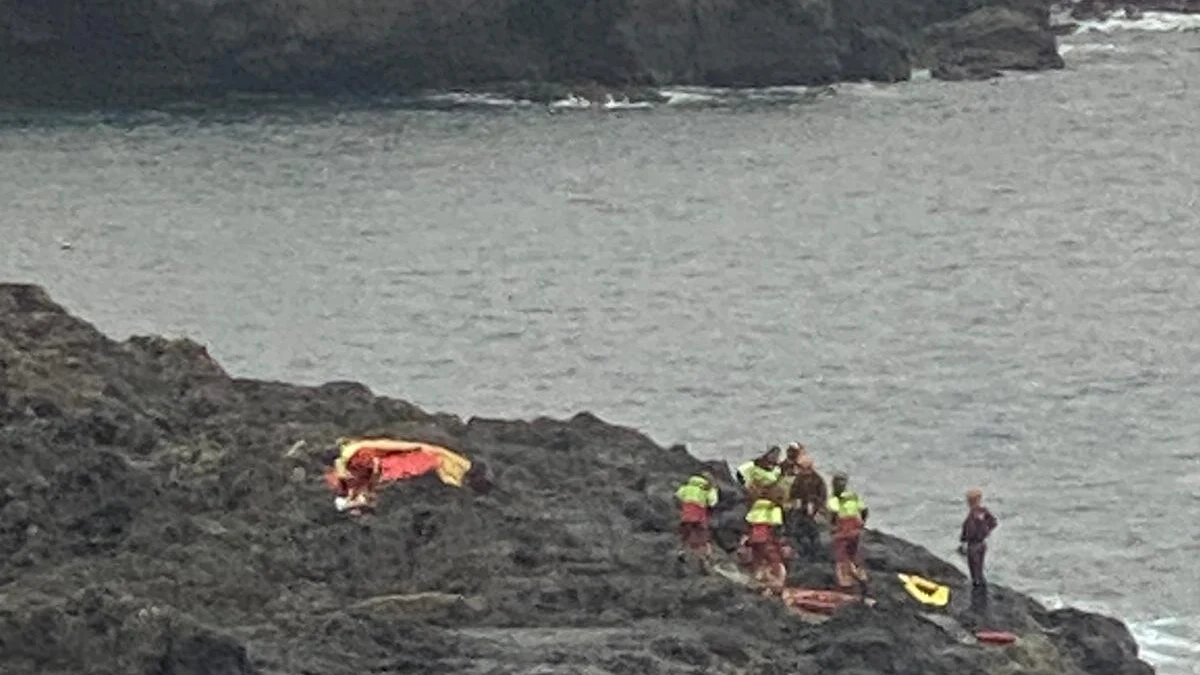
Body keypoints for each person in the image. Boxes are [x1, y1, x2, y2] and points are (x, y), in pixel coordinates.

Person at [744, 483, 789, 595]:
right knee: (774, 560)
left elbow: (749, 521)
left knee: (758, 560)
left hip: (754, 537)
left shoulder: (757, 506)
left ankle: (758, 581)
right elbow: (776, 526)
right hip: (767, 537)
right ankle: (774, 586)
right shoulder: (774, 509)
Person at [827, 472, 869, 592]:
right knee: (854, 555)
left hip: (843, 528)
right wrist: (862, 523)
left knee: (841, 557)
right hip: (855, 528)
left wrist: (833, 527)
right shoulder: (853, 496)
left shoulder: (834, 499)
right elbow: (864, 510)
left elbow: (834, 514)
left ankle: (846, 584)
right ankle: (861, 577)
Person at [674, 472, 720, 567]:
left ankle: (681, 551)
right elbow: (712, 502)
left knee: (685, 535)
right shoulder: (706, 489)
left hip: (686, 516)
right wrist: (714, 489)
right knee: (702, 538)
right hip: (699, 517)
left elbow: (678, 496)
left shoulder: (686, 487)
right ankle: (705, 557)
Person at [786, 455, 828, 557]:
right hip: (801, 509)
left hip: (813, 509)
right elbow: (793, 493)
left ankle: (815, 552)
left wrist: (818, 508)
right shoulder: (799, 479)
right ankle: (802, 552)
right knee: (797, 531)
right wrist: (795, 503)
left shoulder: (818, 479)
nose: (800, 469)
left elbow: (823, 495)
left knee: (813, 533)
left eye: (802, 467)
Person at [958, 488, 998, 587]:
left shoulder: (971, 515)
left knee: (974, 567)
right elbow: (993, 522)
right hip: (982, 543)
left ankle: (977, 585)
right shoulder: (983, 511)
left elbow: (967, 530)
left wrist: (963, 540)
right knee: (979, 566)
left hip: (973, 545)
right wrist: (986, 531)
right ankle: (980, 582)